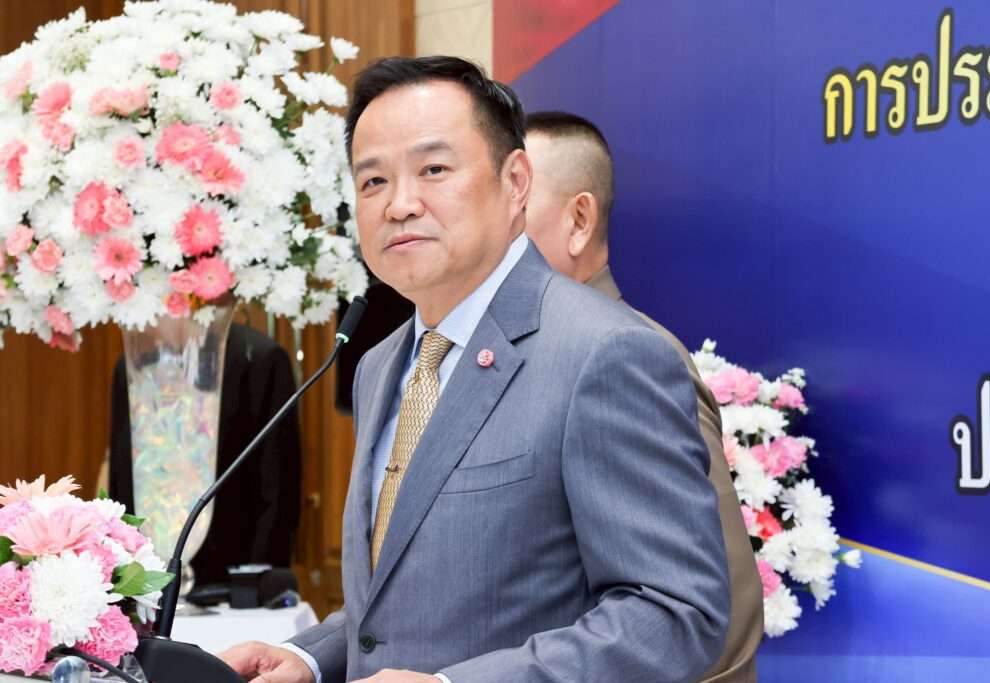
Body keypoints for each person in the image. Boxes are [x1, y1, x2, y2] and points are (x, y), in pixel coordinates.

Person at [221, 56, 728, 683]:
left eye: (433, 169)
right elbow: (405, 599)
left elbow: (675, 615)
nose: (399, 205)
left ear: (515, 180)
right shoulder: (380, 365)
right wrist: (308, 657)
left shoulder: (604, 352)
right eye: (373, 181)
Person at [523, 111, 763, 682]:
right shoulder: (514, 355)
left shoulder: (630, 357)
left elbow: (721, 612)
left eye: (516, 203)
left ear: (579, 219)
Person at [109, 323, 302, 588]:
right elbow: (122, 479)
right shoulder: (133, 365)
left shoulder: (259, 358)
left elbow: (278, 487)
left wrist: (257, 587)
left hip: (233, 580)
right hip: (148, 583)